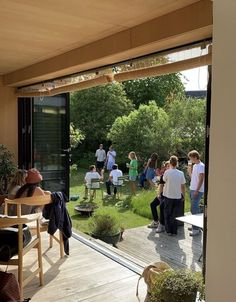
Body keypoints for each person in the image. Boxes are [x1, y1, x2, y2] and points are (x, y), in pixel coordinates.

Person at [163, 156, 186, 236]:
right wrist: (184, 195)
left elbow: (164, 180)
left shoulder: (167, 172)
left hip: (168, 196)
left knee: (167, 214)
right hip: (177, 196)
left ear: (170, 163)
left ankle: (168, 230)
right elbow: (183, 186)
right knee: (174, 214)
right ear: (177, 163)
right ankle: (174, 231)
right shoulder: (181, 173)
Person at [148, 161, 170, 232]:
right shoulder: (164, 175)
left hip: (168, 195)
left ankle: (162, 224)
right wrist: (159, 194)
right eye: (165, 166)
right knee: (152, 204)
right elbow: (161, 186)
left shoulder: (170, 175)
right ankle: (156, 221)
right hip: (162, 194)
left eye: (167, 166)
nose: (166, 168)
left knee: (162, 208)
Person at [187, 150, 205, 236]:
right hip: (192, 189)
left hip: (197, 190)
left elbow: (201, 179)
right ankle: (196, 225)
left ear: (195, 157)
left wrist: (197, 190)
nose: (190, 160)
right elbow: (192, 177)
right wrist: (189, 169)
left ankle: (196, 229)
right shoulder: (195, 166)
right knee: (196, 209)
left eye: (191, 158)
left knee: (193, 209)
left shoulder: (201, 166)